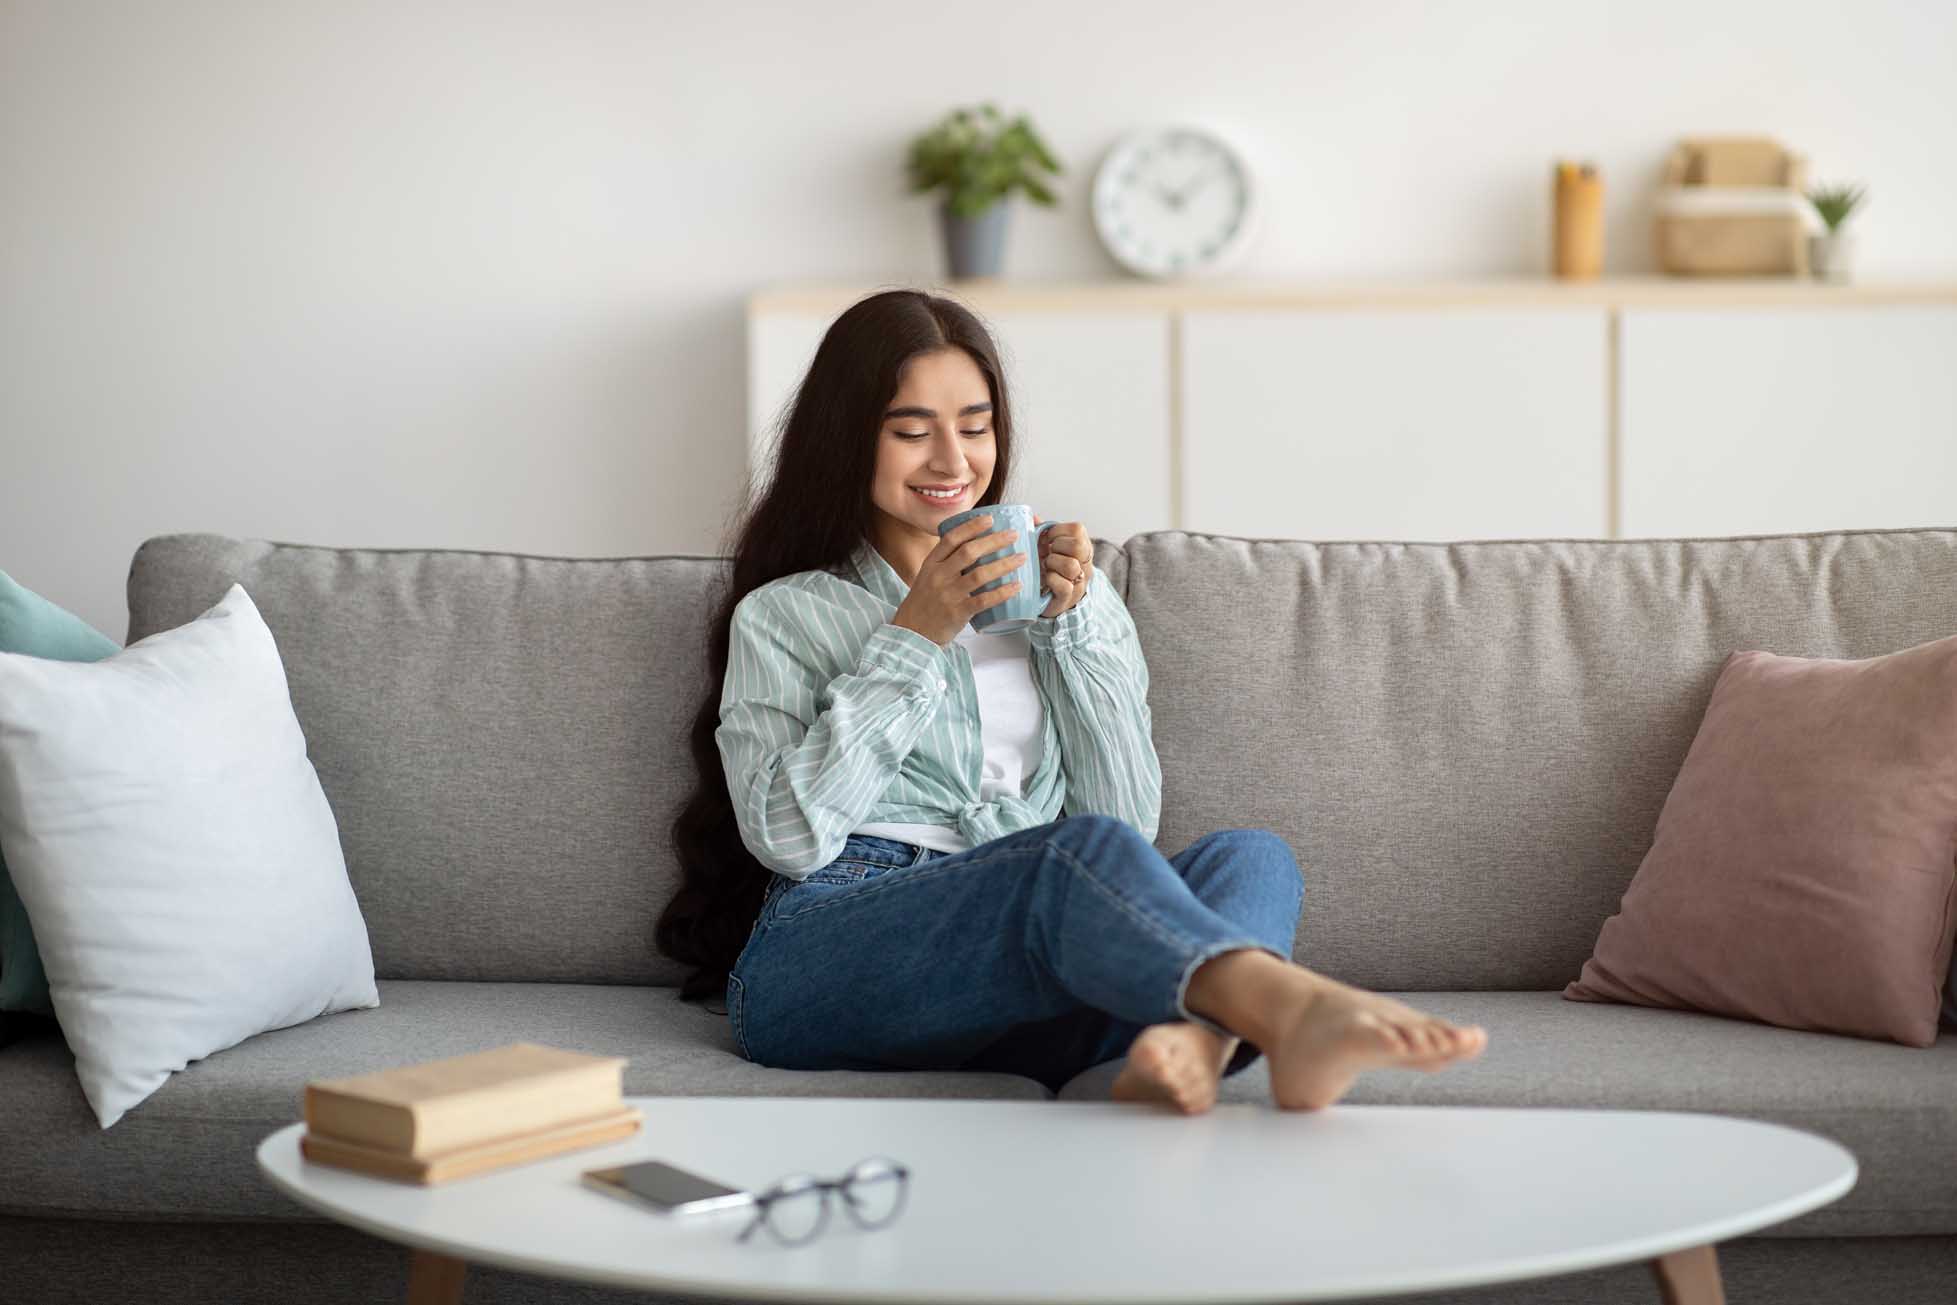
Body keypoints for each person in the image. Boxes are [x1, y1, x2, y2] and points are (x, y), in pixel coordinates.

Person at [657, 288, 1487, 1113]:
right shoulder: (785, 613)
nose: (952, 461)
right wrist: (915, 634)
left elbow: (1126, 829)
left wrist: (1073, 627)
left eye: (974, 427)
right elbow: (788, 837)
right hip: (830, 949)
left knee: (1251, 855)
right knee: (1068, 852)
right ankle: (1284, 1013)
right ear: (846, 438)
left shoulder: (1064, 606)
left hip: (1022, 968)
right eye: (912, 431)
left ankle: (1193, 1041)